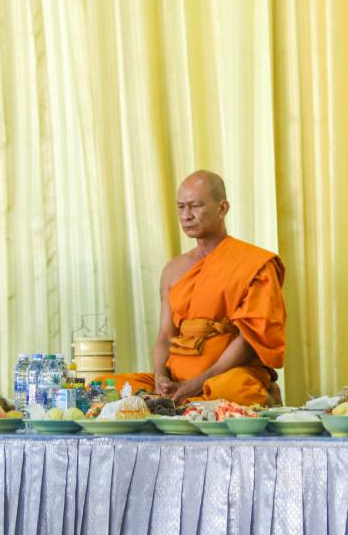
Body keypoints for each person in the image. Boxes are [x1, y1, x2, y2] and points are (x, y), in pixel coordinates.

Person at [108, 171, 286, 406]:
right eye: (181, 207)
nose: (186, 216)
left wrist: (198, 383)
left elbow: (248, 340)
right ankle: (174, 399)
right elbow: (165, 335)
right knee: (104, 387)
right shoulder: (173, 269)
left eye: (195, 206)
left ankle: (188, 401)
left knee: (233, 390)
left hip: (225, 377)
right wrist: (161, 378)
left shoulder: (255, 265)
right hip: (178, 378)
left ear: (222, 208)